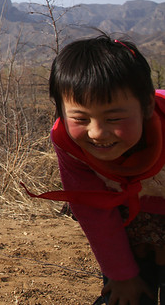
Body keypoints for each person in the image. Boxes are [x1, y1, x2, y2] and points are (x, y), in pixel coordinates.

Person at [27, 36, 165, 305]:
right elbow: (92, 207)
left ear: (147, 105)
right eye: (80, 119)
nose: (97, 133)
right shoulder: (69, 144)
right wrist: (121, 275)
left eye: (114, 118)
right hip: (127, 220)